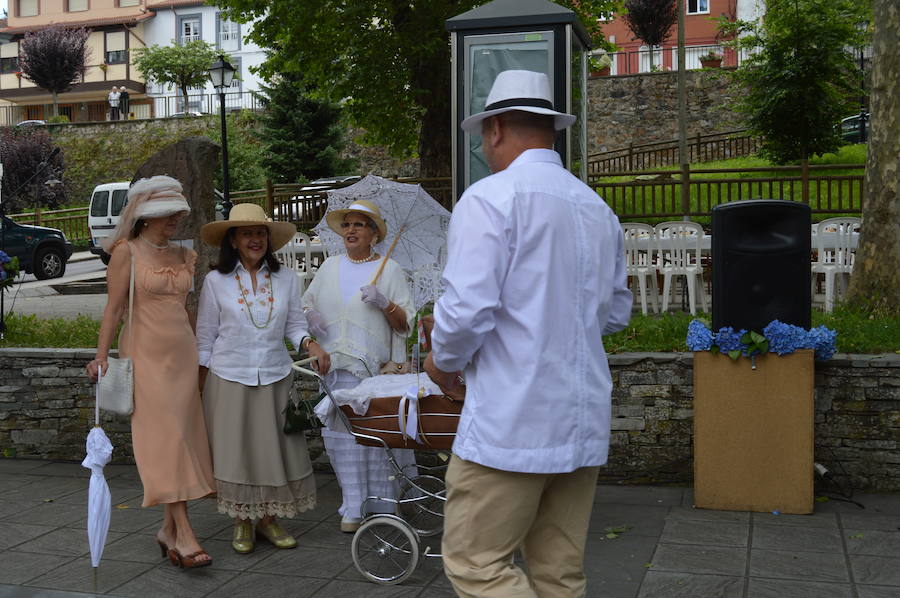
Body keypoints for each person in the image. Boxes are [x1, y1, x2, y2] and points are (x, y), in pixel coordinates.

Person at [423, 70, 632, 598]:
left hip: (510, 422)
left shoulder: (491, 198)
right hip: (579, 416)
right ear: (551, 130)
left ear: (494, 130)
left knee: (476, 564)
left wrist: (441, 360)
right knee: (559, 571)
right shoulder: (596, 208)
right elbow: (614, 315)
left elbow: (467, 311)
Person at [86, 175, 216, 569]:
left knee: (183, 440)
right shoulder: (127, 251)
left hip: (182, 358)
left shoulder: (182, 254)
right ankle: (186, 533)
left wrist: (202, 357)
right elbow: (113, 308)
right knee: (168, 442)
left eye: (178, 212)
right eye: (167, 214)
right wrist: (101, 356)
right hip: (145, 359)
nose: (175, 219)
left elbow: (186, 309)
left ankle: (168, 531)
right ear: (144, 217)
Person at [196, 203, 318, 554]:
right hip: (228, 376)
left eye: (260, 232)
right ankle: (242, 521)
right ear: (233, 240)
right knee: (238, 452)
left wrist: (310, 343)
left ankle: (268, 519)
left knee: (271, 452)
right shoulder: (215, 281)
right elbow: (205, 336)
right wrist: (199, 382)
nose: (255, 239)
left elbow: (295, 325)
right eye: (247, 233)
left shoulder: (286, 279)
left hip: (275, 375)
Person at [301, 200, 416, 532]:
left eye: (359, 225)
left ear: (374, 234)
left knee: (374, 438)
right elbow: (306, 303)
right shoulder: (329, 267)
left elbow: (404, 323)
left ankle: (383, 503)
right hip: (335, 367)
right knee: (341, 439)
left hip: (373, 370)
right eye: (347, 224)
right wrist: (312, 318)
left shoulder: (390, 269)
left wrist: (385, 302)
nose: (350, 230)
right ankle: (352, 504)